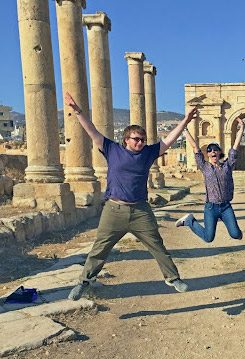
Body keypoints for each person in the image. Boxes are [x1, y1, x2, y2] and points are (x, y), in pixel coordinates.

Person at [64, 92, 198, 300]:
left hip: (140, 210)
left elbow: (169, 140)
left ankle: (172, 278)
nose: (141, 142)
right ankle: (84, 281)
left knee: (157, 244)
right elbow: (91, 131)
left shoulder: (148, 153)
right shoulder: (111, 149)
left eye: (144, 139)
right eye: (137, 139)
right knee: (100, 247)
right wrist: (78, 111)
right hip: (114, 209)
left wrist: (185, 121)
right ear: (126, 139)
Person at [175, 118, 245, 242]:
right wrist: (185, 129)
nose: (212, 151)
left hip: (226, 207)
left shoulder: (227, 165)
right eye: (209, 150)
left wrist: (242, 129)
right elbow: (195, 147)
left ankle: (235, 231)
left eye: (215, 149)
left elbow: (235, 147)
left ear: (219, 152)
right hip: (210, 207)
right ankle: (190, 221)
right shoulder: (205, 166)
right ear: (207, 154)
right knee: (208, 238)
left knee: (236, 235)